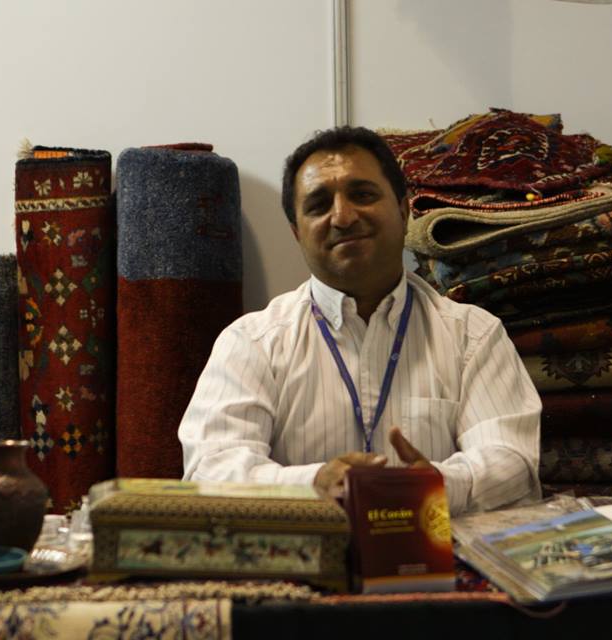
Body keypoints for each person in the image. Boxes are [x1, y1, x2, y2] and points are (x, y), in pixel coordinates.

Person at [179, 126, 541, 514]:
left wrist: (439, 485)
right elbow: (209, 469)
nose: (343, 217)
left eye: (363, 195)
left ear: (403, 212)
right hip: (307, 550)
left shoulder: (473, 335)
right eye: (318, 205)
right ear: (297, 233)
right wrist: (312, 486)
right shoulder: (252, 343)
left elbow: (513, 460)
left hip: (437, 547)